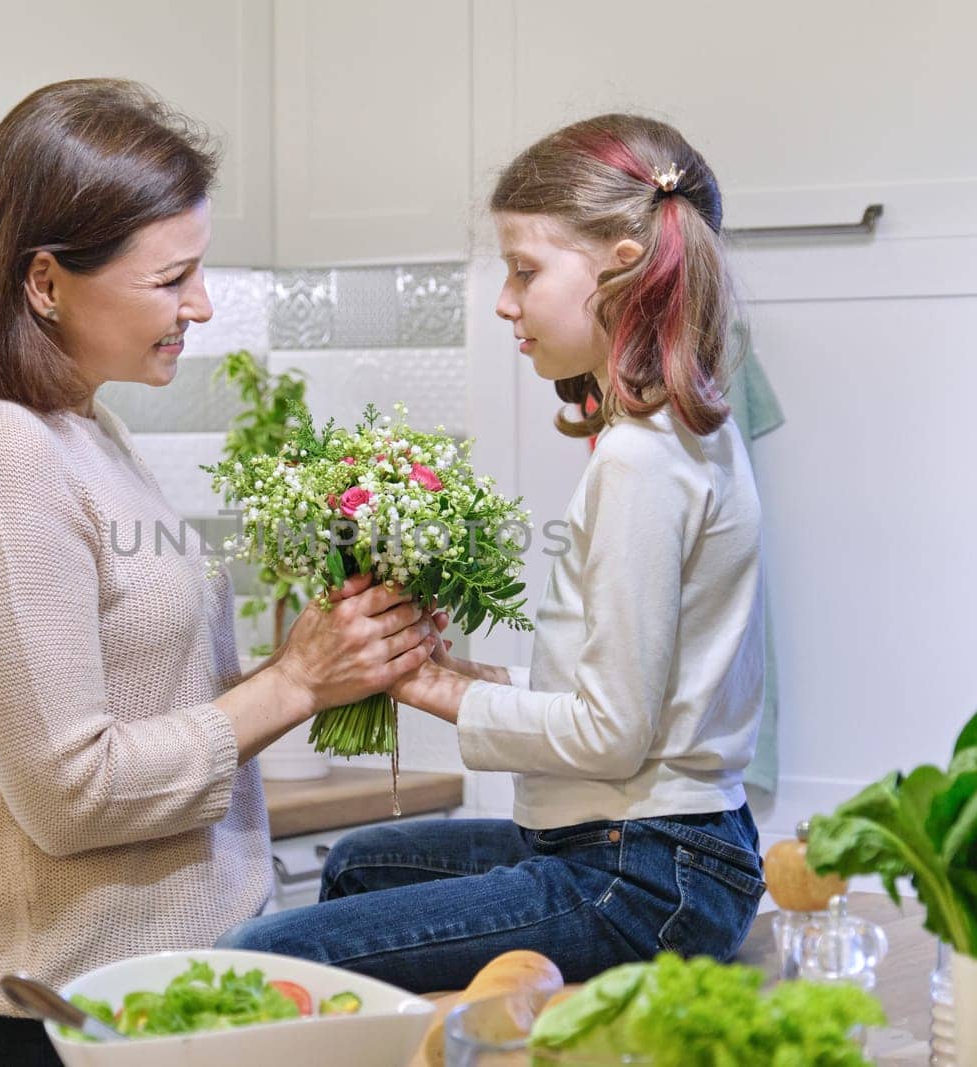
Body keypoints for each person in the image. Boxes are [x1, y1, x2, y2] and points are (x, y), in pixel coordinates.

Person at [0, 78, 437, 1064]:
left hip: (156, 999)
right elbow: (72, 793)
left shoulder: (80, 424)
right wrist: (297, 680)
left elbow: (154, 701)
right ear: (44, 281)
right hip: (51, 1020)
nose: (203, 304)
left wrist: (322, 662)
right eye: (172, 278)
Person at [217, 113, 766, 993]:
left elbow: (609, 734)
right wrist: (454, 671)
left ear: (621, 262)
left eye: (524, 271)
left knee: (257, 960)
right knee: (360, 863)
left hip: (641, 875)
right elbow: (616, 699)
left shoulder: (640, 458)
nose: (506, 302)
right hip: (669, 857)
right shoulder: (682, 431)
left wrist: (422, 685)